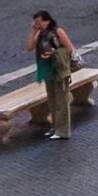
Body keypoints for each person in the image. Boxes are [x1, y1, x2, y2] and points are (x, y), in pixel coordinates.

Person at [27, 10, 77, 142]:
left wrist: (53, 53)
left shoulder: (58, 32)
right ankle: (56, 127)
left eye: (39, 22)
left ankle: (63, 130)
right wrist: (33, 31)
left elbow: (70, 49)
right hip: (47, 70)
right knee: (53, 101)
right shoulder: (39, 34)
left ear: (47, 20)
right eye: (35, 23)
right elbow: (29, 47)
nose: (37, 25)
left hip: (60, 70)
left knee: (61, 101)